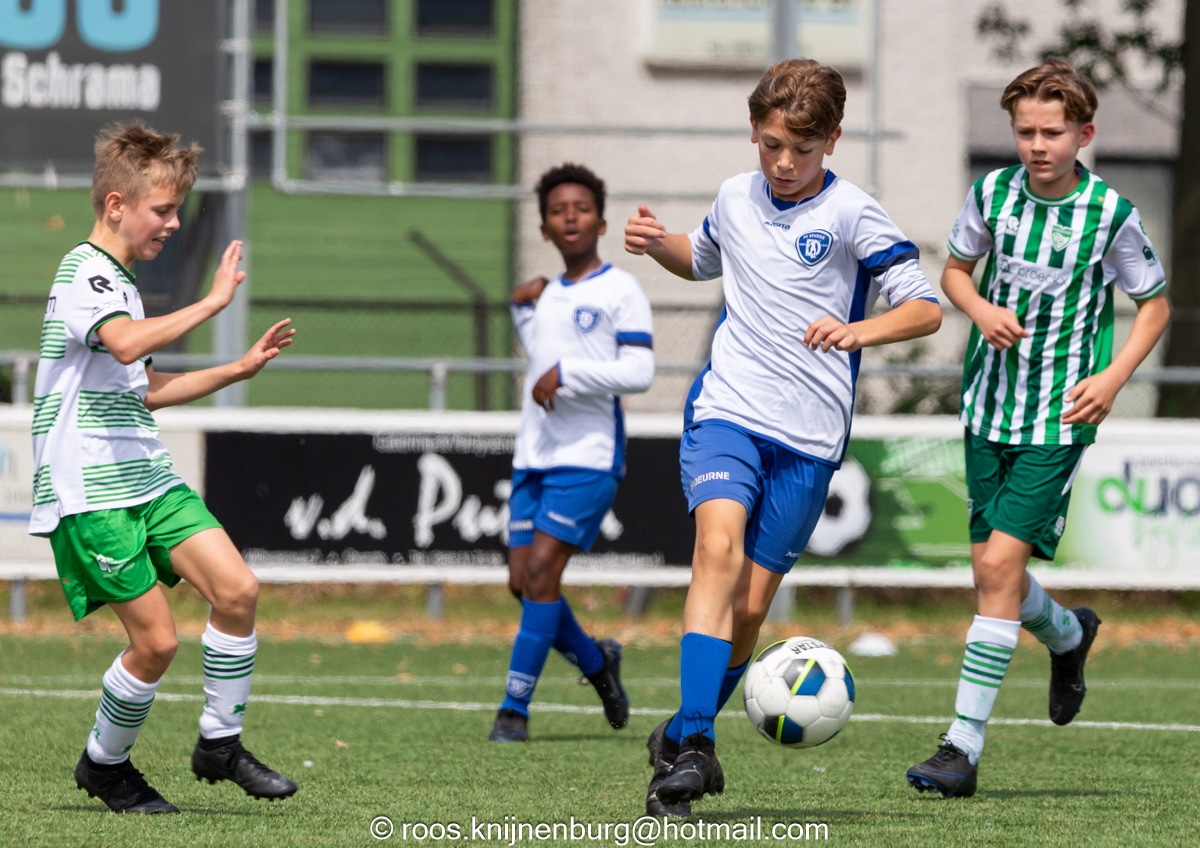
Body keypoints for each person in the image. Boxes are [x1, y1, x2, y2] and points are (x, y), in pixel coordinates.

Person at [624, 59, 942, 816]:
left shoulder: (854, 213)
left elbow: (925, 309)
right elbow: (700, 260)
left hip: (808, 440)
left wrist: (859, 330)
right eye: (772, 145)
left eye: (802, 148)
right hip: (727, 412)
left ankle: (678, 733)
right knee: (717, 550)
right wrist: (657, 242)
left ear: (832, 140)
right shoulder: (734, 196)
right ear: (754, 132)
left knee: (748, 611)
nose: (784, 163)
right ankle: (697, 745)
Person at [906, 59, 1170, 799]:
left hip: (1057, 419)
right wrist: (979, 309)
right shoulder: (991, 193)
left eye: (1052, 132)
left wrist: (1111, 380)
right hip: (987, 408)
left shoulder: (1110, 214)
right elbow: (955, 272)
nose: (1037, 145)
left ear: (1084, 133)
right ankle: (1069, 635)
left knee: (996, 571)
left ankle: (961, 748)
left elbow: (1154, 306)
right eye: (1025, 131)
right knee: (995, 575)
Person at [29, 121, 299, 813]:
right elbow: (124, 347)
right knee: (155, 643)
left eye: (178, 209)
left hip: (146, 475)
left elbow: (144, 387)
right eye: (164, 209)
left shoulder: (120, 283)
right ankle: (105, 766)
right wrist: (211, 303)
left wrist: (237, 368)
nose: (175, 223)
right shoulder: (84, 272)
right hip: (91, 490)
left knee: (236, 590)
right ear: (117, 205)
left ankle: (220, 743)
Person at [489, 163, 656, 743]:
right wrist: (519, 306)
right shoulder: (548, 295)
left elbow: (639, 370)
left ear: (601, 222)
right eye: (558, 211)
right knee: (521, 582)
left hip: (588, 456)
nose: (570, 217)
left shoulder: (620, 290)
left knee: (541, 573)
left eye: (581, 209)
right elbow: (541, 354)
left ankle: (514, 709)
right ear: (544, 229)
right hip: (534, 455)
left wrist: (570, 373)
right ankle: (596, 662)